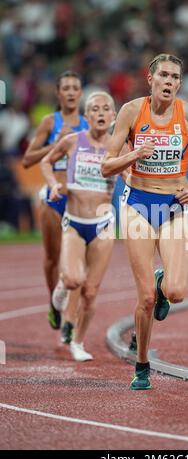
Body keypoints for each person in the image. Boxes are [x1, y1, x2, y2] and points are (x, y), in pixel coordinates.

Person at [102, 53, 188, 390]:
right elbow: (106, 166)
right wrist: (134, 155)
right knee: (145, 300)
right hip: (138, 204)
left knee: (176, 292)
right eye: (164, 76)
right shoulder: (130, 112)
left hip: (173, 206)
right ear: (150, 79)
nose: (170, 82)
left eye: (175, 77)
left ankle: (162, 282)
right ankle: (142, 365)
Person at [41, 91, 125, 361]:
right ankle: (59, 295)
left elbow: (133, 178)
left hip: (102, 225)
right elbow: (45, 162)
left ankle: (78, 341)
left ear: (114, 116)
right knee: (73, 279)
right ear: (86, 116)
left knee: (90, 292)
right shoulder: (72, 141)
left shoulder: (119, 147)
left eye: (106, 109)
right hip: (75, 223)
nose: (100, 113)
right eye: (94, 109)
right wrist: (54, 185)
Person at [22, 71, 88, 340]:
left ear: (80, 93)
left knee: (77, 266)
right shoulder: (50, 122)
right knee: (52, 258)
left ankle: (70, 324)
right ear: (58, 94)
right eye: (66, 88)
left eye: (75, 88)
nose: (71, 92)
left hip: (79, 200)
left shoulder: (88, 123)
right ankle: (54, 302)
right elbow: (27, 159)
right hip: (53, 198)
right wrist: (56, 145)